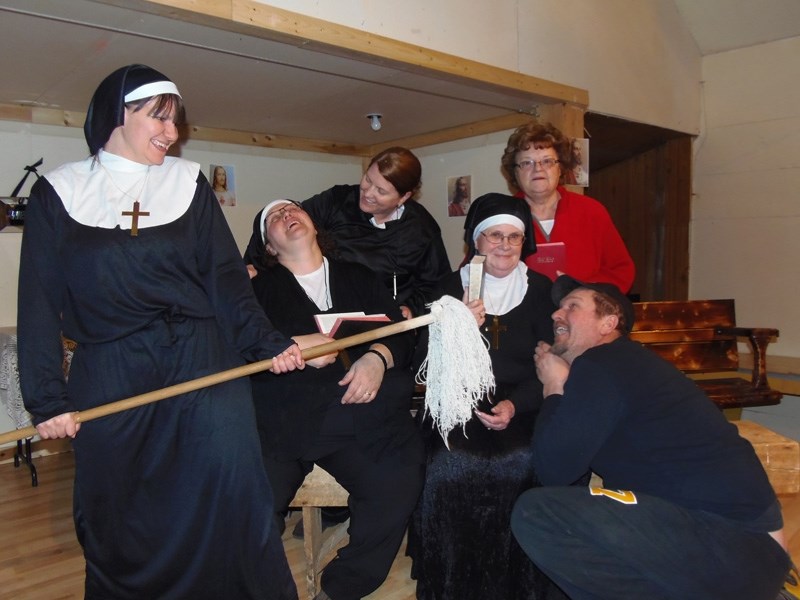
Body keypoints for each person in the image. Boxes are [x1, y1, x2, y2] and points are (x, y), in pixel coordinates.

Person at [16, 64, 305, 600]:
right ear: (117, 114)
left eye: (177, 121)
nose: (172, 133)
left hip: (203, 361)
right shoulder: (59, 192)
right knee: (120, 510)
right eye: (159, 118)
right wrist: (46, 397)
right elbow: (37, 302)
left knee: (230, 495)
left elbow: (224, 278)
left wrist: (266, 343)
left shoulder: (188, 182)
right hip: (112, 369)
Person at [511, 275, 791, 600]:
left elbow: (554, 469)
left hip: (735, 544)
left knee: (538, 513)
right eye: (558, 308)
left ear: (608, 323)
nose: (556, 315)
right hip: (745, 547)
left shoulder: (603, 363)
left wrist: (553, 388)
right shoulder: (624, 366)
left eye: (572, 307)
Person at [249, 199, 425, 600]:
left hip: (361, 419)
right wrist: (286, 345)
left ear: (313, 224)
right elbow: (237, 344)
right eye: (273, 218)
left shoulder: (358, 276)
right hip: (284, 424)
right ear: (269, 247)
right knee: (251, 505)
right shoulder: (255, 290)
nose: (285, 215)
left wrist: (377, 359)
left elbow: (400, 331)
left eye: (292, 209)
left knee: (397, 482)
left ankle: (343, 587)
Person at [409, 193, 566, 600]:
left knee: (523, 460)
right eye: (495, 235)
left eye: (514, 237)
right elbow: (425, 363)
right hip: (456, 401)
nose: (505, 245)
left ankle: (520, 579)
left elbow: (547, 363)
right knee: (452, 462)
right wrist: (456, 326)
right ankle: (450, 576)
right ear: (476, 242)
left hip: (523, 402)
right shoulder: (446, 289)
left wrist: (516, 404)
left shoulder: (540, 291)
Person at [247, 146, 450, 320]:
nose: (368, 193)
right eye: (367, 180)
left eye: (381, 191)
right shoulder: (338, 200)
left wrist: (412, 309)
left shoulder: (422, 229)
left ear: (404, 196)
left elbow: (437, 285)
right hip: (333, 307)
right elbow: (282, 228)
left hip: (385, 316)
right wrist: (248, 270)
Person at [501, 122, 635, 292]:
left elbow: (621, 270)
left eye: (547, 161)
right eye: (527, 163)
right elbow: (474, 271)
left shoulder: (591, 211)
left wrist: (583, 293)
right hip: (520, 316)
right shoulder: (499, 216)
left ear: (560, 168)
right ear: (515, 172)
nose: (538, 169)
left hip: (580, 315)